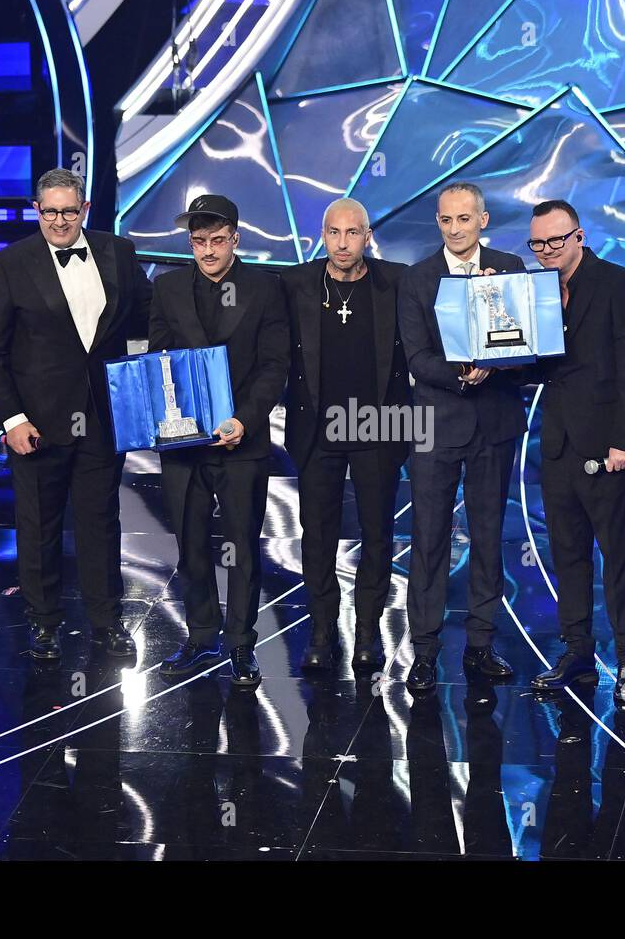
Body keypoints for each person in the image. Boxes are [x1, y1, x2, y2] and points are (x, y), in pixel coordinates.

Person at [0, 168, 153, 662]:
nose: (58, 221)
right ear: (37, 210)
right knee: (37, 526)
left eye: (68, 211)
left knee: (101, 522)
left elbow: (148, 317)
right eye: (49, 211)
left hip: (102, 416)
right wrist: (12, 420)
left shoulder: (118, 252)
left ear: (85, 210)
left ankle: (106, 622)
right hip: (37, 422)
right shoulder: (8, 263)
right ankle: (43, 623)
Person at [148, 194, 291, 687]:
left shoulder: (266, 288)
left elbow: (275, 365)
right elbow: (158, 362)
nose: (207, 250)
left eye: (216, 240)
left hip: (241, 441)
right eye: (198, 241)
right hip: (184, 444)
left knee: (243, 547)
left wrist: (244, 421)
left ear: (235, 238)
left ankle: (241, 643)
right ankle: (200, 634)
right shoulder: (165, 288)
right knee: (190, 545)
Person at [396, 181, 526, 693]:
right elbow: (416, 355)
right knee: (428, 540)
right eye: (446, 221)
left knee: (489, 536)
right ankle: (424, 652)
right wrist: (461, 375)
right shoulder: (417, 278)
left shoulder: (511, 270)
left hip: (492, 424)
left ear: (483, 221)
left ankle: (480, 644)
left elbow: (524, 347)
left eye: (464, 220)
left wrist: (493, 338)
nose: (455, 229)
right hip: (435, 424)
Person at [522, 200, 625, 697]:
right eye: (538, 243)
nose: (548, 250)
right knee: (568, 554)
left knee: (620, 556)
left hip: (608, 446)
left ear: (579, 236)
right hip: (557, 443)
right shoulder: (535, 291)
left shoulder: (618, 283)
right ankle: (577, 654)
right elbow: (536, 362)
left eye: (556, 240)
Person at [281, 198, 410, 672]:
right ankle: (321, 627)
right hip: (316, 428)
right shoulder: (295, 283)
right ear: (322, 234)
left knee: (378, 534)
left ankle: (369, 630)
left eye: (352, 233)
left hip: (381, 425)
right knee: (317, 534)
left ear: (368, 235)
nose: (342, 243)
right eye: (334, 233)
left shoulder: (396, 281)